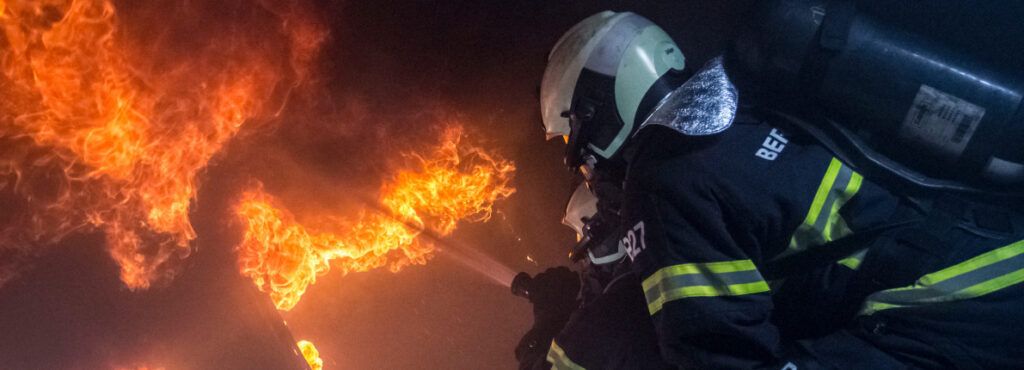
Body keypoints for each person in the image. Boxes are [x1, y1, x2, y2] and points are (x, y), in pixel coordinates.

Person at [528, 9, 1024, 369]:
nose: (581, 158)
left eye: (574, 133)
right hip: (991, 246)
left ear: (599, 106)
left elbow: (717, 356)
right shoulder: (740, 97)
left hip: (945, 308)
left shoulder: (664, 181)